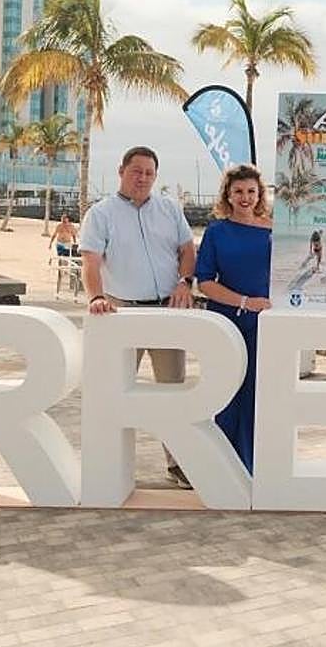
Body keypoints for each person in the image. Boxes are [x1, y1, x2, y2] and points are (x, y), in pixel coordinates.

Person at [80, 146, 196, 489]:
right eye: (136, 171)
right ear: (121, 171)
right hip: (121, 312)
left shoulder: (170, 209)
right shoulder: (100, 214)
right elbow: (91, 261)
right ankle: (108, 463)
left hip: (166, 312)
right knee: (114, 391)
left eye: (149, 173)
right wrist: (96, 297)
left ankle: (179, 464)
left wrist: (184, 281)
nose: (142, 178)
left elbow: (187, 250)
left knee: (173, 392)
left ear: (155, 176)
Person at [194, 164, 273, 474]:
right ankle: (221, 469)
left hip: (265, 325)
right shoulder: (216, 231)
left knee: (257, 394)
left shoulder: (273, 230)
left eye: (251, 191)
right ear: (228, 194)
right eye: (238, 191)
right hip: (227, 322)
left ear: (259, 194)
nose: (245, 197)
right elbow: (204, 282)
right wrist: (244, 302)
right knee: (225, 394)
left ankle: (252, 466)